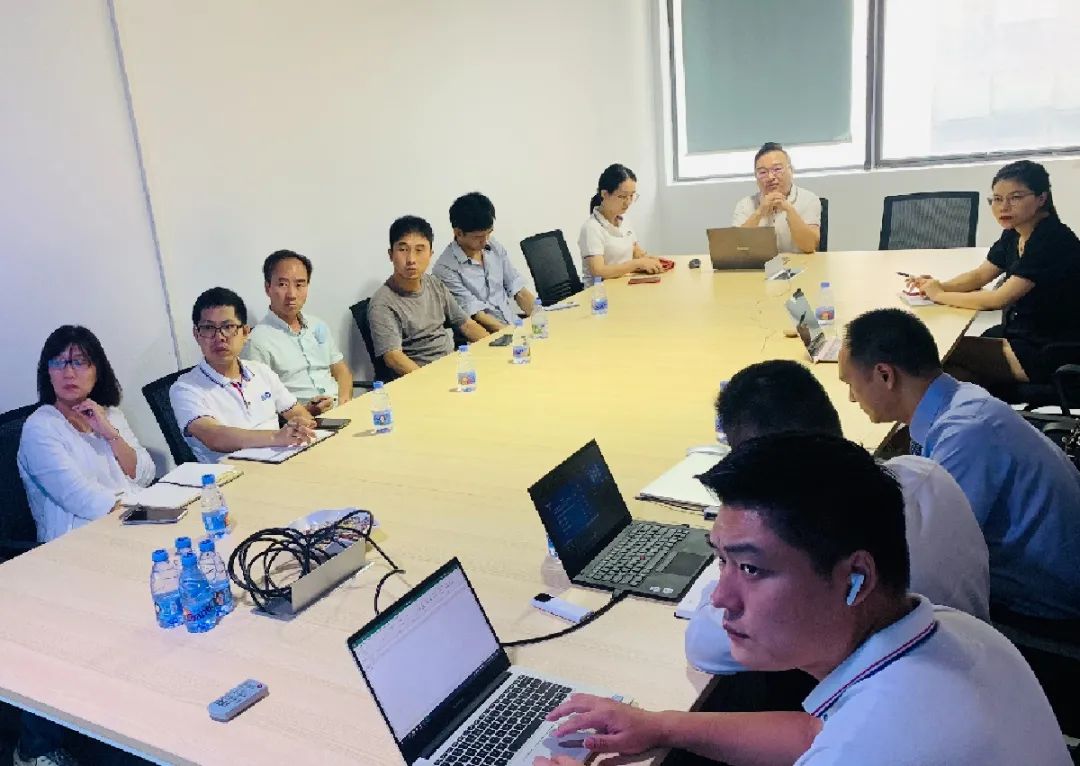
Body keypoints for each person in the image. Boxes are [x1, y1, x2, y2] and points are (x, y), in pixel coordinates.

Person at [534, 434, 1070, 766]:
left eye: (751, 568)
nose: (720, 597)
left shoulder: (870, 747)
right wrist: (664, 724)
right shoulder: (957, 631)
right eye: (721, 560)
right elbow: (817, 732)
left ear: (856, 579)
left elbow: (846, 745)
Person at [686, 360, 989, 674]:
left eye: (749, 568)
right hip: (969, 654)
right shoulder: (925, 472)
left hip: (905, 678)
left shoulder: (809, 544)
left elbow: (703, 647)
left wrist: (736, 551)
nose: (723, 596)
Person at [839, 308, 1080, 620]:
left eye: (851, 383)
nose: (851, 398)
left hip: (1048, 604)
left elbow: (928, 560)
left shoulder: (965, 436)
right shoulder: (961, 400)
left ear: (885, 375)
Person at [15, 325, 156, 766]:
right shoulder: (40, 429)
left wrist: (108, 432)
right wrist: (147, 511)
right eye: (58, 362)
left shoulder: (107, 413)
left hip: (120, 535)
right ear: (46, 372)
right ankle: (35, 748)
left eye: (79, 361)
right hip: (69, 555)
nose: (68, 372)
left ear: (98, 369)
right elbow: (86, 501)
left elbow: (143, 473)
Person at [907, 160, 1080, 386]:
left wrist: (939, 295)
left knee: (940, 353)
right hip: (1023, 334)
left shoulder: (1051, 240)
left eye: (1015, 197)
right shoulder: (1015, 232)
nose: (1003, 207)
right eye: (997, 199)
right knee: (948, 369)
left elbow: (998, 299)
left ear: (1041, 198)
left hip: (1052, 351)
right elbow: (980, 276)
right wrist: (938, 286)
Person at [170, 287, 316, 463]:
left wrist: (301, 425)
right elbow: (214, 437)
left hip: (281, 461)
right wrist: (276, 437)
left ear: (245, 332)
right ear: (197, 334)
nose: (219, 337)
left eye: (228, 327)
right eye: (208, 328)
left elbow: (296, 412)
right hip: (231, 473)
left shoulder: (261, 371)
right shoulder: (185, 388)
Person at [368, 215, 488, 376]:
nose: (411, 259)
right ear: (391, 254)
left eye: (419, 250)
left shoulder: (433, 284)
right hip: (421, 377)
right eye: (403, 250)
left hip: (453, 366)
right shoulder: (383, 303)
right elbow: (394, 358)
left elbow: (466, 324)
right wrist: (430, 381)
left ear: (430, 254)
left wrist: (492, 348)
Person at [241, 249, 353, 415]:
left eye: (299, 285)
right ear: (267, 288)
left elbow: (341, 370)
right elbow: (260, 401)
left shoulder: (317, 325)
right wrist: (305, 412)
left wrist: (344, 402)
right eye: (283, 285)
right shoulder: (257, 341)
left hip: (342, 411)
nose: (292, 294)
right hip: (303, 423)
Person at [433, 192, 537, 332]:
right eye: (479, 236)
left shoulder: (493, 246)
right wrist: (512, 334)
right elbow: (476, 314)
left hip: (513, 324)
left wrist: (540, 317)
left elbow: (517, 288)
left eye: (489, 233)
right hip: (485, 336)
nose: (486, 240)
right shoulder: (445, 268)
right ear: (458, 233)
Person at [578, 163, 664, 280]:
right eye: (623, 196)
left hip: (624, 283)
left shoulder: (624, 220)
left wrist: (648, 260)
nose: (628, 202)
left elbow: (636, 252)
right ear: (605, 194)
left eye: (632, 196)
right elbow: (598, 271)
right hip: (602, 289)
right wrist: (637, 264)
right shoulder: (591, 228)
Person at [733, 142, 821, 254]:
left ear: (791, 170)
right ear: (756, 177)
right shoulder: (745, 204)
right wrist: (760, 211)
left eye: (777, 169)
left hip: (799, 263)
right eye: (763, 172)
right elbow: (737, 246)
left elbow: (809, 246)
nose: (770, 177)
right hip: (760, 264)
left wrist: (789, 210)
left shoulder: (809, 199)